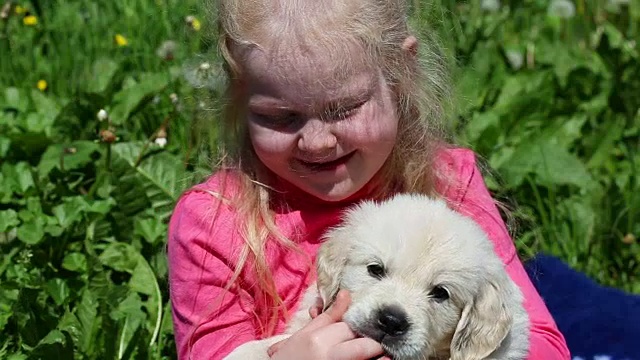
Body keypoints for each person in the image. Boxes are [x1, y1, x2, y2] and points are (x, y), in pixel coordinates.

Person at [167, 0, 571, 359]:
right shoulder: (212, 221)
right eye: (281, 117)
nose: (317, 142)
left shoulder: (449, 178)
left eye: (344, 109)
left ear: (398, 74)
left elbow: (545, 345)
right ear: (240, 94)